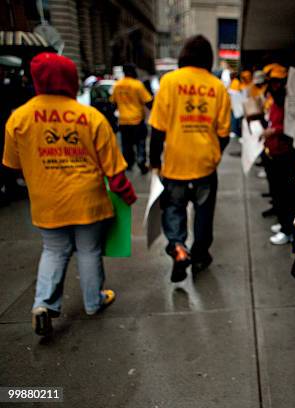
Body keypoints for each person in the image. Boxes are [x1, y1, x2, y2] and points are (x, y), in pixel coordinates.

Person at [2, 53, 137, 336]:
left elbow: (12, 164)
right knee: (89, 251)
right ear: (71, 80)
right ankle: (93, 301)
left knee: (53, 250)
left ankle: (44, 305)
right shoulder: (90, 117)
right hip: (87, 199)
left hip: (46, 201)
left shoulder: (19, 118)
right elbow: (114, 170)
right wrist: (126, 195)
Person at [149, 35, 231, 282]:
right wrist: (215, 155)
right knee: (204, 213)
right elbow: (224, 133)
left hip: (175, 164)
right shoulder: (217, 87)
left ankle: (178, 246)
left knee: (173, 209)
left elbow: (157, 128)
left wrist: (155, 162)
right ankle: (200, 255)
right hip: (205, 164)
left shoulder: (169, 82)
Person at [259, 64, 295, 245]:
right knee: (277, 192)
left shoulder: (288, 100)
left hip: (285, 154)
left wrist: (274, 131)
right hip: (273, 152)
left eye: (277, 82)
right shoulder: (273, 98)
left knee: (286, 195)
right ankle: (284, 224)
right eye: (271, 82)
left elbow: (291, 126)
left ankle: (287, 229)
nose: (274, 85)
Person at [110, 63, 153, 174]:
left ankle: (128, 163)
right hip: (137, 119)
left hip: (123, 121)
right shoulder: (137, 85)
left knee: (126, 144)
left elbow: (113, 103)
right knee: (140, 142)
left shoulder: (117, 85)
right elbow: (148, 101)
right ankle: (141, 161)